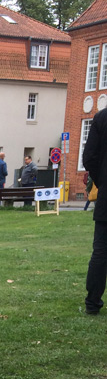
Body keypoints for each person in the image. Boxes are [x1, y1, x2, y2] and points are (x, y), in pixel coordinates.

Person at [81, 108, 107, 314]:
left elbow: (89, 157)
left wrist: (102, 181)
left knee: (101, 251)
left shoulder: (101, 118)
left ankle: (93, 301)